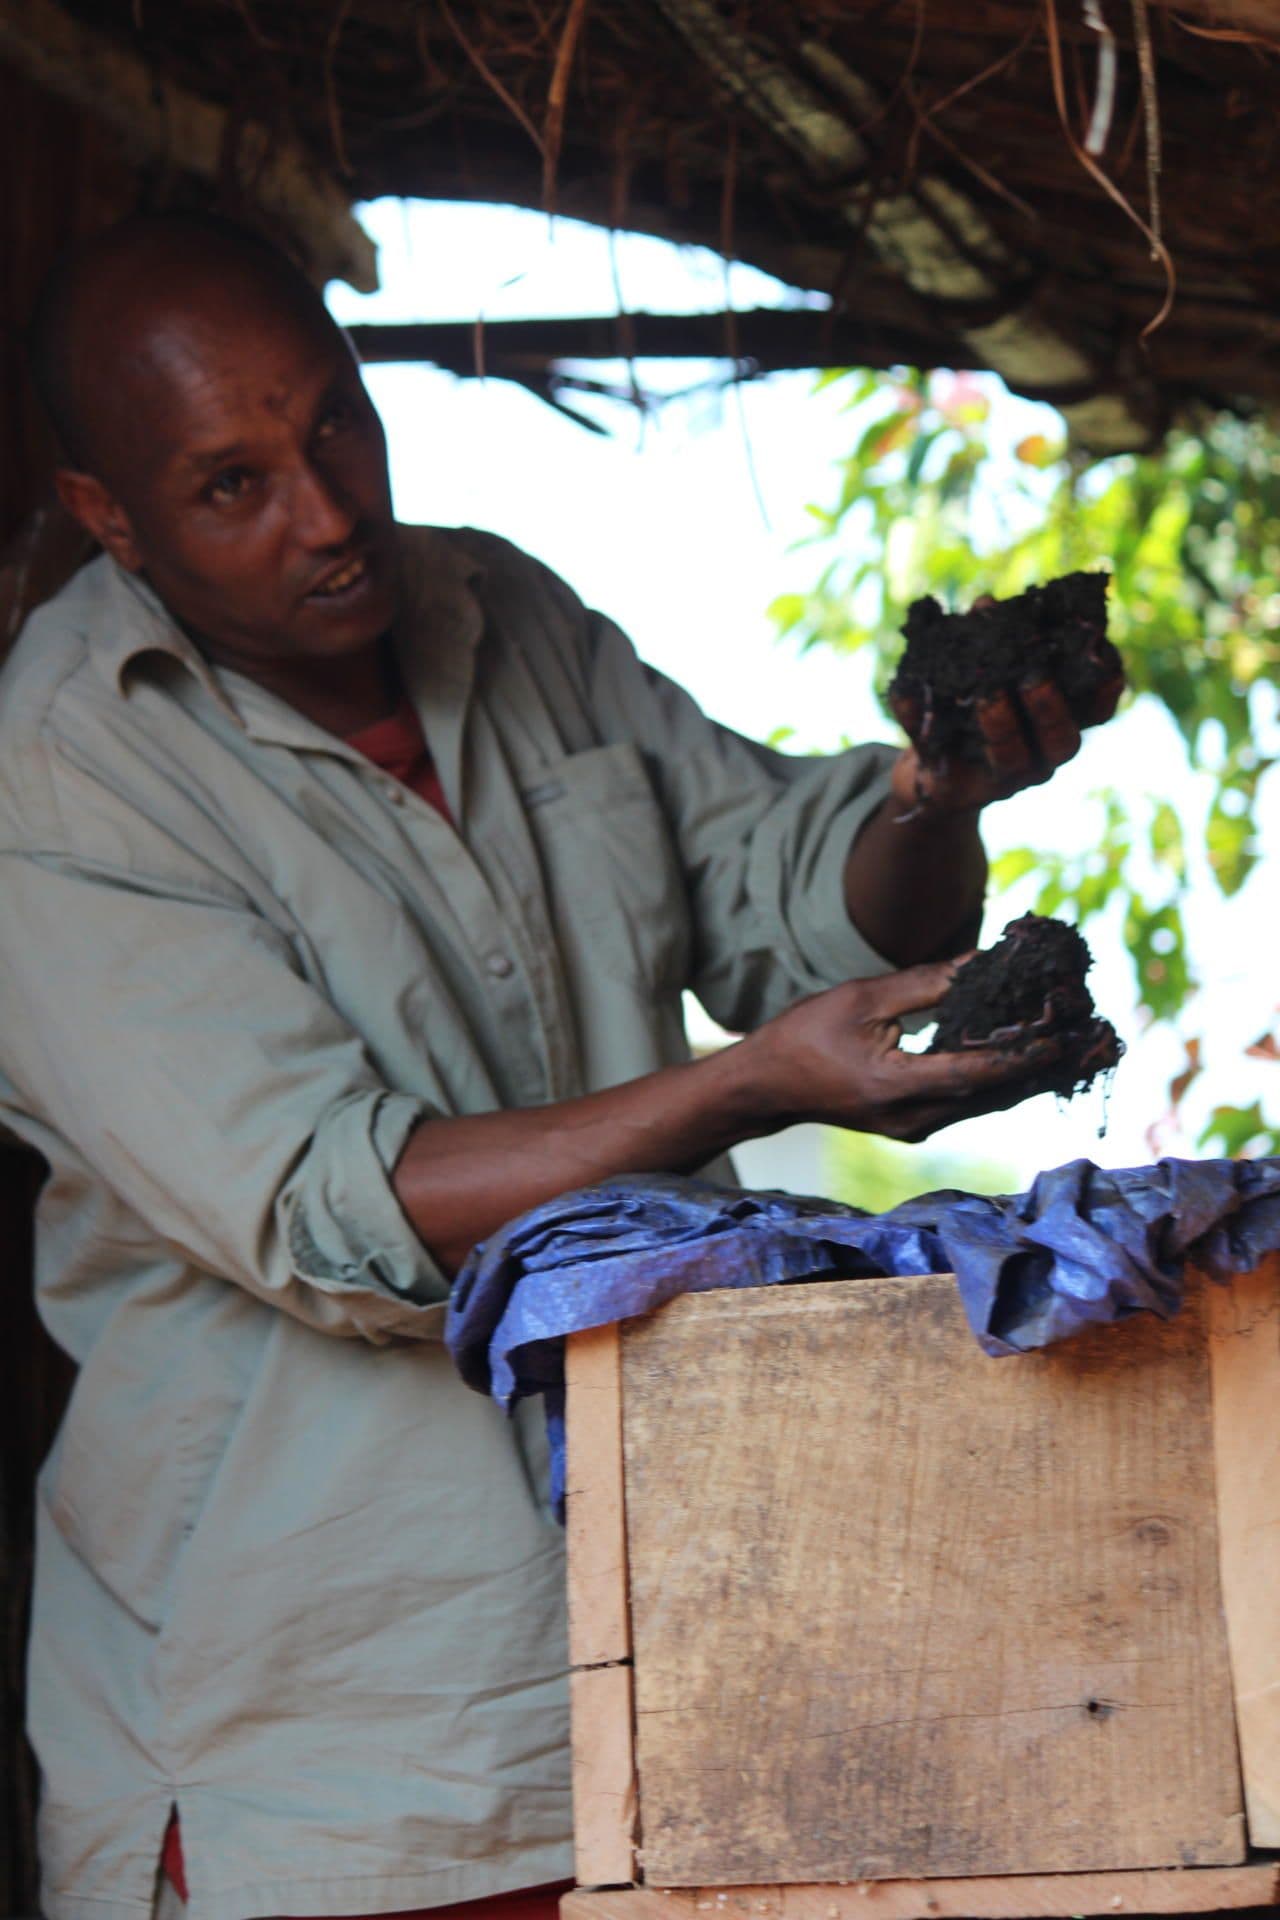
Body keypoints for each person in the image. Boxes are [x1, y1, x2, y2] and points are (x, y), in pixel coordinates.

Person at [0, 213, 1117, 1920]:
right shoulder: (61, 775)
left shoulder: (497, 606)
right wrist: (742, 1088)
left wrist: (933, 798)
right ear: (109, 517)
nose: (330, 513)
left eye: (337, 427)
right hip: (332, 1756)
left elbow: (791, 905)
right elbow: (340, 1211)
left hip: (667, 1647)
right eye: (233, 485)